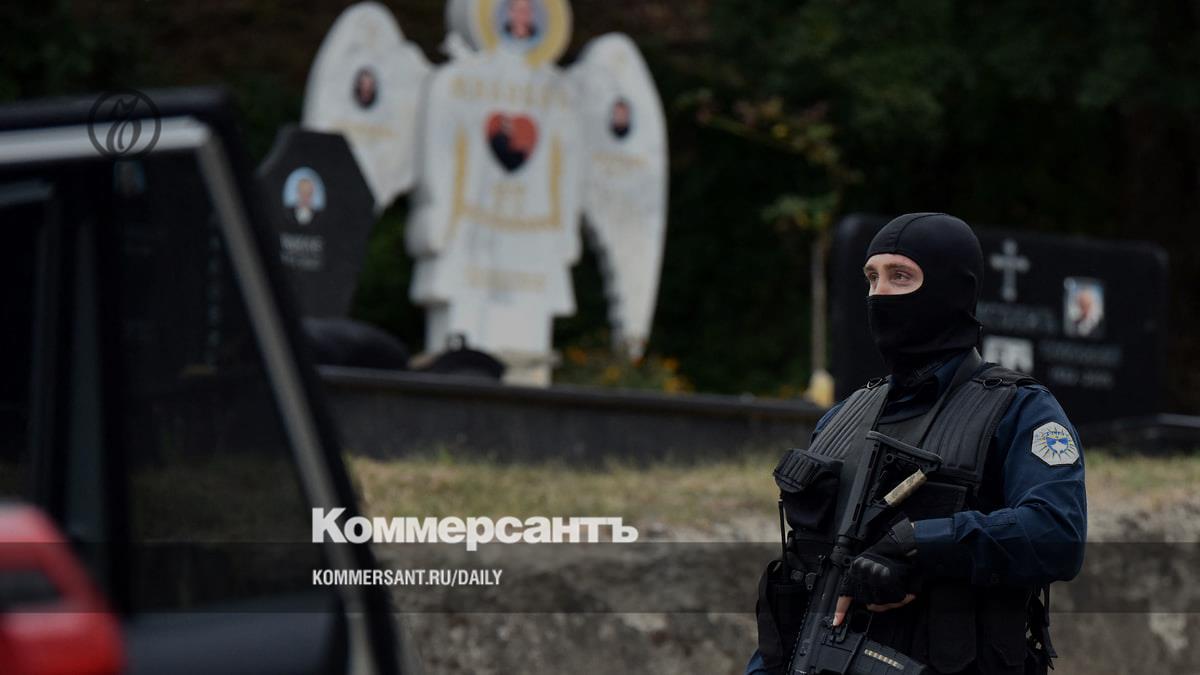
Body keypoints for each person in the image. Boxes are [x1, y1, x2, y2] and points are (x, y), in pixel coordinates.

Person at [748, 213, 1087, 675]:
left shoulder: (1018, 409)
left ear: (953, 290)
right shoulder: (841, 420)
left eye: (901, 276)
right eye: (872, 278)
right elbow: (798, 600)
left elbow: (1056, 533)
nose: (880, 294)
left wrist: (919, 546)